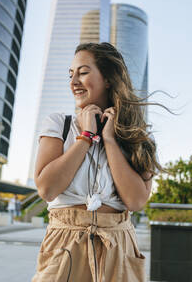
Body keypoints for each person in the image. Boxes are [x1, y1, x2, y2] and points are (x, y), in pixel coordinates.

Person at [31, 42, 166, 282]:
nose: (73, 82)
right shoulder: (58, 124)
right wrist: (85, 138)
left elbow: (135, 201)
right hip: (65, 246)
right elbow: (47, 189)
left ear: (108, 79)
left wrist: (110, 140)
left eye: (83, 72)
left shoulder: (137, 136)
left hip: (119, 247)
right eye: (71, 74)